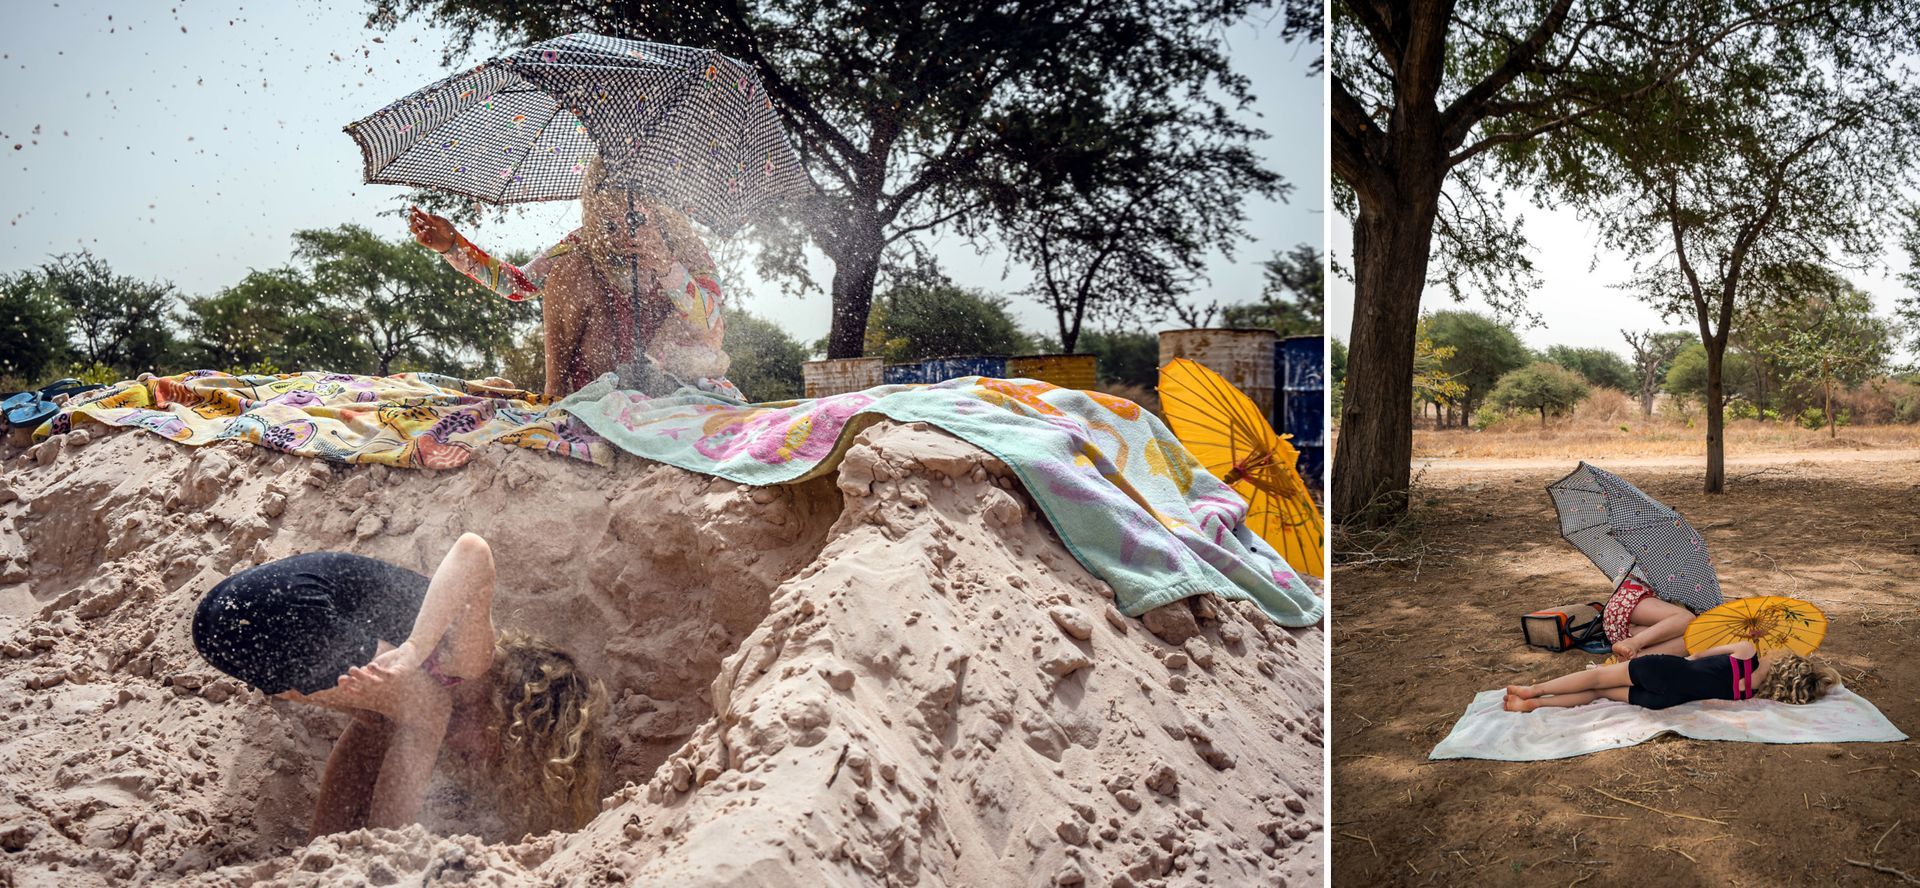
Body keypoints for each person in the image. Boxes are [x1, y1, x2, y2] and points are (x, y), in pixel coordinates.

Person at [191, 534, 606, 838]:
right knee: (429, 711)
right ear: (514, 716)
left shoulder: (413, 697)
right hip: (284, 607)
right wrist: (413, 649)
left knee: (381, 723)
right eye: (497, 753)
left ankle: (321, 853)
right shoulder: (474, 661)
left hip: (219, 624)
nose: (471, 758)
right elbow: (473, 550)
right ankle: (387, 861)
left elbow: (364, 745)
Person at [408, 157, 737, 400]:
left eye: (634, 218)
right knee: (570, 268)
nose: (622, 231)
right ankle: (556, 396)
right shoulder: (585, 240)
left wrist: (666, 265)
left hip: (669, 375)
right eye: (610, 221)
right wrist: (453, 247)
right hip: (600, 376)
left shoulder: (688, 247)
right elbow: (519, 286)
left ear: (657, 208)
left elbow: (708, 320)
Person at [1503, 640, 1841, 712]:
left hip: (1665, 670)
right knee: (1597, 694)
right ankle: (1531, 708)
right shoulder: (1751, 695)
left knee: (1593, 680)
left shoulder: (1748, 652)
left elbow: (1698, 653)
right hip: (1665, 700)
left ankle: (1534, 690)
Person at [1600, 571, 1698, 660]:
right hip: (1631, 597)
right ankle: (1634, 643)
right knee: (1687, 618)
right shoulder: (1663, 566)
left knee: (1695, 638)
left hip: (1619, 629)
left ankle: (1632, 661)